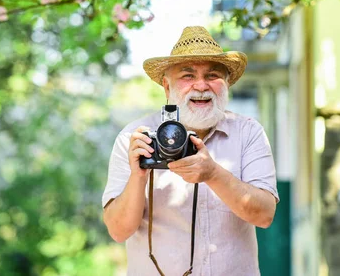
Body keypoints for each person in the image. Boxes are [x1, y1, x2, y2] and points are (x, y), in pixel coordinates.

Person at [102, 26, 279, 276]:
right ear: (166, 86)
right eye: (187, 75)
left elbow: (264, 215)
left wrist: (213, 174)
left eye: (213, 75)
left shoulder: (248, 133)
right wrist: (138, 175)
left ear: (227, 83)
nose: (201, 85)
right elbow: (118, 231)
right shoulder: (136, 138)